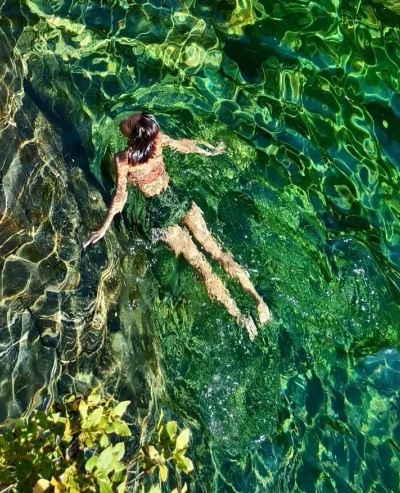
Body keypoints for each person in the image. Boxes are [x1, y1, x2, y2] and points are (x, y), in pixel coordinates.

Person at [84, 111, 270, 338]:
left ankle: (239, 315)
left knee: (201, 265)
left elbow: (120, 196)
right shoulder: (157, 140)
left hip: (160, 212)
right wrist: (209, 149)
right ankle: (258, 299)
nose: (124, 121)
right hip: (178, 199)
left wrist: (103, 227)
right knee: (217, 251)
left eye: (129, 122)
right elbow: (184, 145)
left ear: (133, 137)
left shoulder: (123, 159)